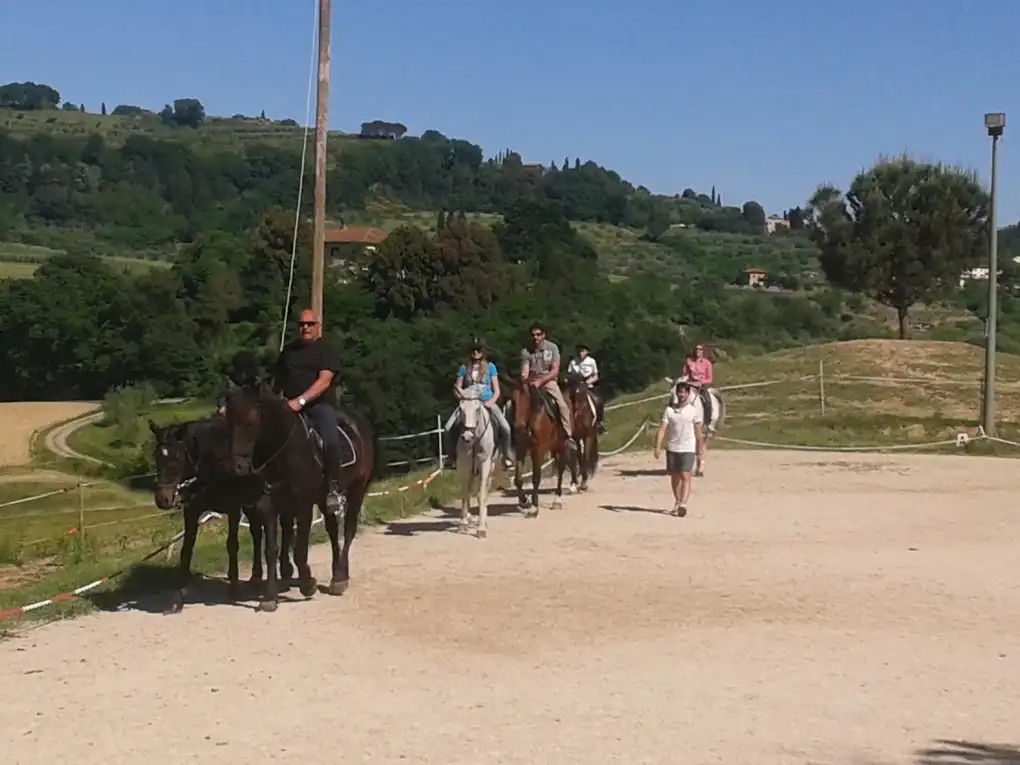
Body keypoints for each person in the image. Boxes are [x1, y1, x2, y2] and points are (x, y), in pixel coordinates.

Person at [272, 308, 345, 515]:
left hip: (319, 406)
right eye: (302, 324)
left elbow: (324, 381)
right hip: (288, 406)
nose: (305, 328)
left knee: (330, 441)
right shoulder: (288, 352)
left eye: (310, 324)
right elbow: (276, 383)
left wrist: (301, 401)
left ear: (317, 326)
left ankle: (333, 488)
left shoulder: (326, 351)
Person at [444, 338, 514, 468]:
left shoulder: (490, 367)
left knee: (505, 427)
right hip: (469, 403)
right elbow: (458, 387)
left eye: (478, 350)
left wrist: (492, 401)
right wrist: (462, 398)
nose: (476, 353)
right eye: (473, 350)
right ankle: (451, 456)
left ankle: (506, 455)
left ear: (483, 351)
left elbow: (496, 389)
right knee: (448, 428)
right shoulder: (463, 368)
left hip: (486, 401)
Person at [520, 322, 576, 450]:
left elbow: (555, 370)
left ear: (544, 335)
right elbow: (525, 370)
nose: (536, 337)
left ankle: (568, 436)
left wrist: (541, 381)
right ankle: (516, 436)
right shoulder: (526, 351)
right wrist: (526, 379)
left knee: (562, 405)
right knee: (516, 403)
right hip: (532, 380)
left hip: (548, 380)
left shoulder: (552, 348)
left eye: (538, 334)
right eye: (533, 335)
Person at [653, 379, 704, 517]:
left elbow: (698, 433)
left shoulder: (693, 411)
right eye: (679, 392)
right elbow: (662, 428)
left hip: (688, 447)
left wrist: (700, 451)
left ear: (688, 394)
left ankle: (683, 503)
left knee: (685, 475)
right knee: (674, 476)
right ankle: (677, 500)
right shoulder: (669, 411)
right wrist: (657, 446)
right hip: (673, 447)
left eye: (684, 392)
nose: (681, 394)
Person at [567, 343, 606, 434]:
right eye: (579, 351)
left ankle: (599, 422)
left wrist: (589, 382)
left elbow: (596, 376)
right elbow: (568, 375)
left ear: (587, 352)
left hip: (588, 383)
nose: (581, 353)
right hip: (576, 384)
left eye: (583, 351)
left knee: (599, 400)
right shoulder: (573, 362)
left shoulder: (591, 361)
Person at [681, 343, 715, 431]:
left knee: (707, 400)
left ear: (703, 351)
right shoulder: (689, 362)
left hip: (701, 385)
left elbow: (710, 379)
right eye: (696, 349)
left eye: (700, 349)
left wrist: (701, 382)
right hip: (690, 384)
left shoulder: (707, 363)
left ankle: (708, 422)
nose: (698, 351)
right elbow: (686, 374)